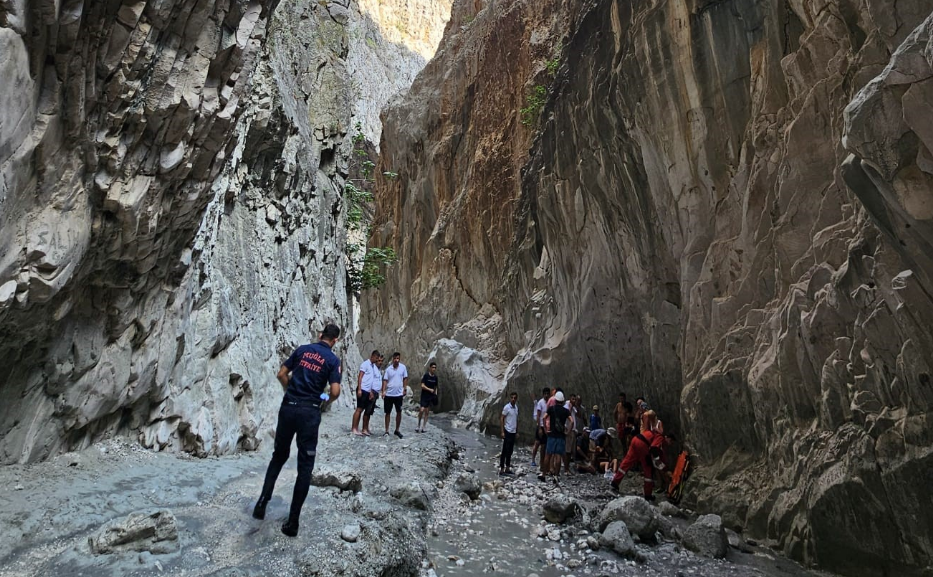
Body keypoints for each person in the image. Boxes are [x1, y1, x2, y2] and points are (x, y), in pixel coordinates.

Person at [252, 324, 342, 537]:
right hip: (309, 413)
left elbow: (282, 373)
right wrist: (323, 400)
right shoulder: (332, 361)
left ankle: (261, 504)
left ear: (320, 335)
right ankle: (293, 522)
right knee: (305, 466)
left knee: (279, 456)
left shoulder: (302, 350)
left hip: (288, 407)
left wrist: (289, 390)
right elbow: (336, 391)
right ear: (335, 341)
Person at [610, 410, 669, 501]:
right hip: (643, 445)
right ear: (667, 438)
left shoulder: (652, 431)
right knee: (647, 469)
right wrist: (658, 463)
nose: (669, 444)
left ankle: (615, 482)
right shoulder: (660, 437)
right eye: (670, 442)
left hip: (636, 439)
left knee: (627, 462)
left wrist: (661, 465)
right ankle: (648, 495)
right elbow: (653, 449)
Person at [540, 391, 570, 481]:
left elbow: (544, 417)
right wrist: (567, 431)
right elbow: (571, 421)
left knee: (548, 455)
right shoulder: (566, 411)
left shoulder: (551, 409)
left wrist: (545, 429)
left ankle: (544, 474)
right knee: (558, 456)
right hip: (561, 436)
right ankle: (556, 476)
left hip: (551, 435)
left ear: (555, 400)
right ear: (563, 401)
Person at [352, 350, 381, 436]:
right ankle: (354, 428)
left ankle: (363, 428)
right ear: (372, 356)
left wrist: (371, 392)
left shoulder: (372, 366)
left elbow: (371, 380)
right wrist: (359, 389)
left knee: (365, 410)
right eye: (376, 358)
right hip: (363, 389)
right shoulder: (365, 364)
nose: (376, 360)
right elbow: (360, 376)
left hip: (368, 391)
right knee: (359, 409)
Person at [381, 352, 409, 438]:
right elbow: (385, 380)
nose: (396, 360)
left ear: (399, 359)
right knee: (387, 412)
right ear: (392, 359)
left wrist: (404, 389)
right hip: (389, 394)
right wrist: (383, 391)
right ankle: (386, 430)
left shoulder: (403, 368)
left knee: (399, 412)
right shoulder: (388, 369)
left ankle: (397, 430)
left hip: (398, 394)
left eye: (398, 358)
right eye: (395, 358)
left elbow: (405, 378)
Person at [499, 392, 519, 475]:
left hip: (513, 432)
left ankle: (507, 467)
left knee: (510, 451)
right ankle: (502, 468)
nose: (513, 399)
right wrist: (502, 431)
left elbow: (516, 420)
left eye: (515, 398)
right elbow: (502, 418)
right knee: (505, 450)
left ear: (516, 399)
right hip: (507, 431)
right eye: (512, 398)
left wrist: (517, 431)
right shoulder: (507, 407)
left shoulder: (516, 408)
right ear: (510, 398)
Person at [416, 362, 438, 433]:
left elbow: (436, 387)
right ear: (430, 368)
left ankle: (424, 426)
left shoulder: (435, 377)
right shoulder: (426, 376)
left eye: (435, 368)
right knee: (421, 410)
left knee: (427, 411)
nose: (434, 369)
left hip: (430, 396)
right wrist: (429, 389)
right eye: (433, 367)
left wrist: (435, 394)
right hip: (424, 395)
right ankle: (418, 425)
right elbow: (422, 385)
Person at [530, 388, 550, 468]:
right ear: (543, 394)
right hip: (540, 425)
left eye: (547, 394)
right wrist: (539, 428)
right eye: (545, 393)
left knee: (544, 445)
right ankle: (533, 459)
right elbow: (538, 415)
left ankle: (542, 462)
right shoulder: (540, 403)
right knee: (537, 443)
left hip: (546, 426)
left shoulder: (549, 403)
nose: (546, 395)